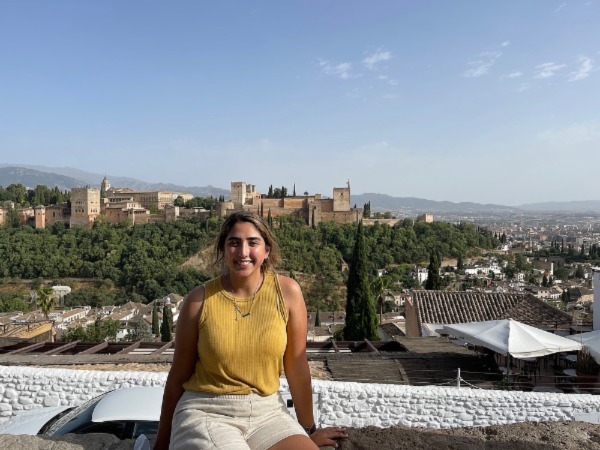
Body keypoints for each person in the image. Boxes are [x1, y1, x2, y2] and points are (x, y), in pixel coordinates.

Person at [155, 211, 347, 449]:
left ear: (267, 250)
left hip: (268, 412)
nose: (243, 252)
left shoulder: (287, 293)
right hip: (207, 411)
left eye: (252, 242)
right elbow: (178, 376)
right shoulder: (199, 300)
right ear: (223, 251)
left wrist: (308, 431)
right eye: (234, 243)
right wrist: (161, 442)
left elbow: (297, 367)